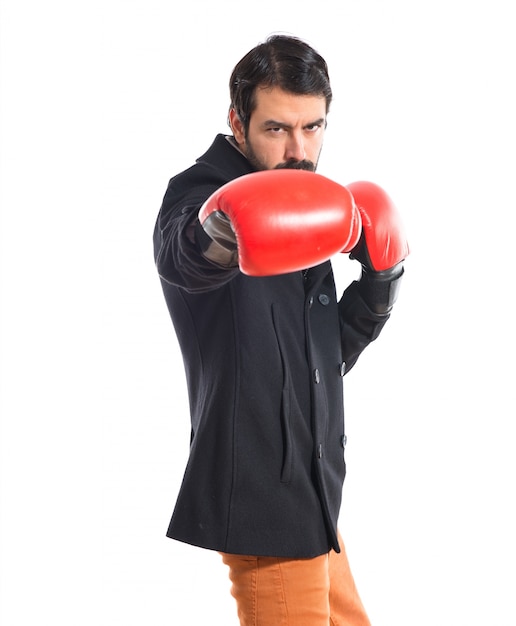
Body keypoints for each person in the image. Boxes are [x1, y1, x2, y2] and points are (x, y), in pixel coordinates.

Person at [153, 34, 409, 626]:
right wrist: (220, 235)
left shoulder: (303, 200)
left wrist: (381, 280)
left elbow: (325, 356)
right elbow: (181, 257)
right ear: (237, 122)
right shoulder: (197, 192)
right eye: (277, 129)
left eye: (313, 127)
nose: (299, 148)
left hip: (313, 491)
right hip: (265, 497)